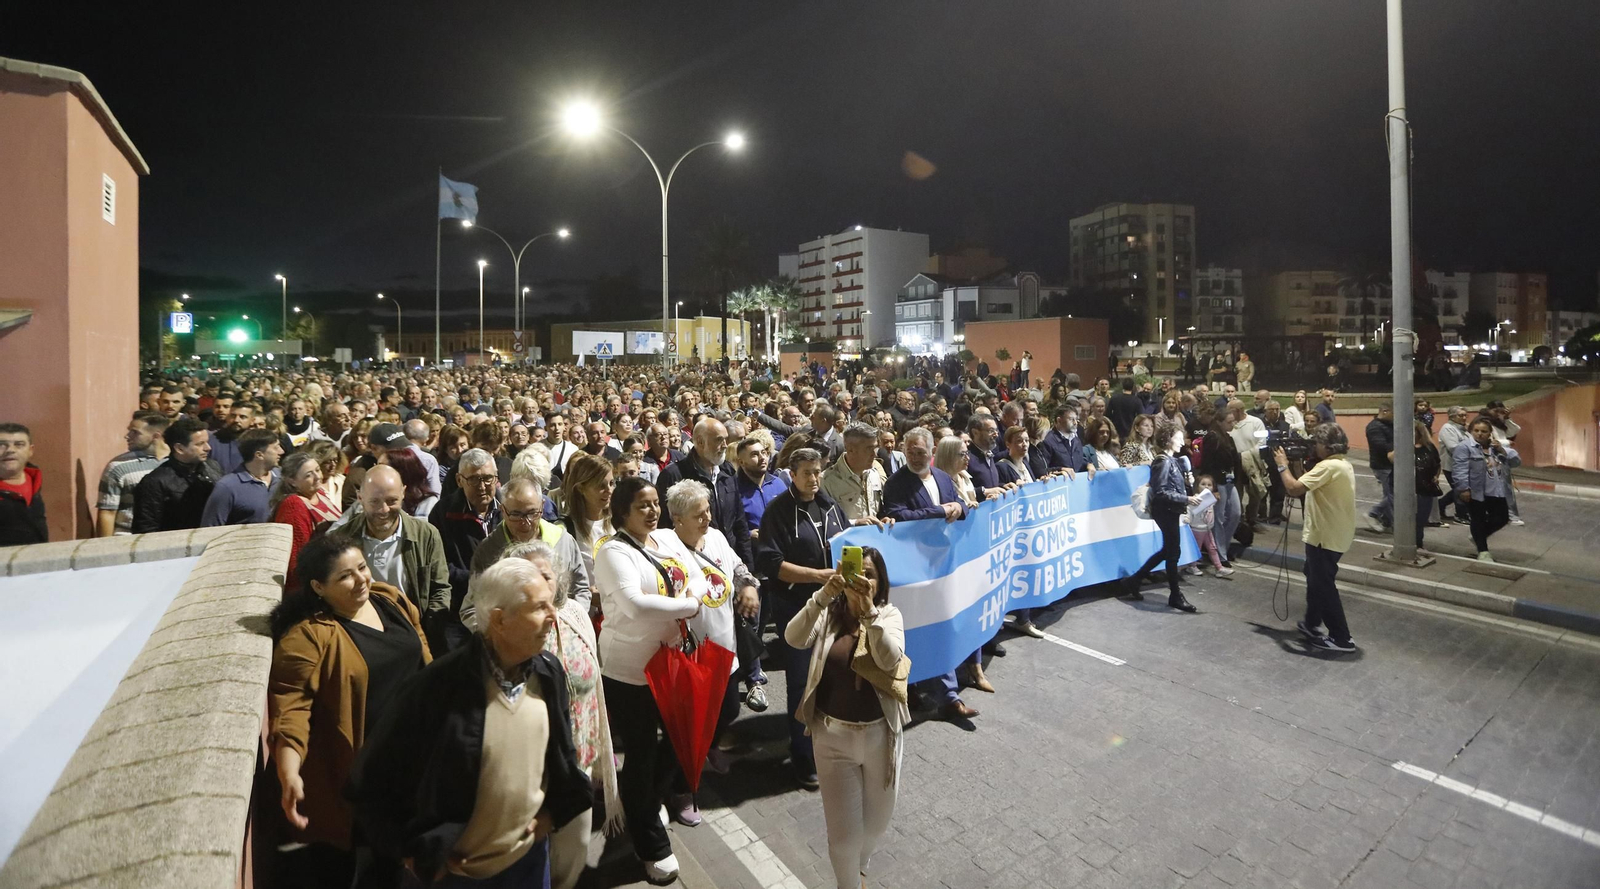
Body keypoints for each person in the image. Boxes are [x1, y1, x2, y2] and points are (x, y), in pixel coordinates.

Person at [348, 558, 592, 887]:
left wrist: (553, 813)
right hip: (457, 876)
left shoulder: (548, 672)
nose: (552, 618)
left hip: (529, 863)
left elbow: (561, 754)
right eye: (539, 608)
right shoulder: (438, 686)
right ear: (499, 620)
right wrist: (411, 851)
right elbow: (371, 778)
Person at [267, 535, 431, 888]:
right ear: (318, 587)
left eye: (362, 568)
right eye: (346, 576)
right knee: (355, 866)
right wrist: (289, 771)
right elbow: (291, 706)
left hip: (416, 759)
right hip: (365, 773)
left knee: (406, 857)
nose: (362, 580)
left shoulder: (390, 599)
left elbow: (421, 649)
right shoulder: (308, 637)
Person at [487, 540, 621, 889]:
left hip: (577, 764)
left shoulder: (576, 616)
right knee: (531, 862)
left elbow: (595, 692)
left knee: (574, 850)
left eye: (544, 575)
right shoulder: (505, 637)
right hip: (530, 775)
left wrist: (595, 759)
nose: (538, 585)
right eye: (527, 578)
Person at [591, 477, 704, 883]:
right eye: (642, 505)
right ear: (622, 511)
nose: (652, 511)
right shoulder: (612, 551)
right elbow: (636, 606)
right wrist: (689, 605)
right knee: (641, 752)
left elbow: (695, 573)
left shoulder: (669, 540)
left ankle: (647, 801)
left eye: (655, 503)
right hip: (630, 671)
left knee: (675, 744)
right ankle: (650, 843)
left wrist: (688, 598)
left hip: (672, 663)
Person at [784, 546, 908, 889]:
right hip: (831, 738)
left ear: (879, 582)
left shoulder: (889, 615)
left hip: (880, 737)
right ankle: (849, 884)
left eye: (869, 574)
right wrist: (824, 594)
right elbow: (793, 638)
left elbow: (890, 659)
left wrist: (869, 613)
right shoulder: (828, 615)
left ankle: (860, 866)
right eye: (856, 571)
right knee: (843, 838)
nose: (861, 579)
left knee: (876, 825)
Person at [651, 480, 761, 807]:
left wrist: (748, 586)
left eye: (708, 511)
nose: (707, 519)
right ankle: (683, 791)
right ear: (676, 519)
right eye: (699, 515)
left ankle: (708, 749)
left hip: (725, 647)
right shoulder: (664, 551)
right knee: (689, 729)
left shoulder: (715, 537)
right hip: (691, 656)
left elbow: (736, 566)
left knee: (728, 709)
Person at [756, 447, 854, 788]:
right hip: (797, 608)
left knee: (832, 676)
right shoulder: (778, 512)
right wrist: (816, 576)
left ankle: (828, 746)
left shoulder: (830, 505)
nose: (814, 479)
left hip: (835, 607)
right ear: (792, 475)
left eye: (818, 472)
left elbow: (844, 540)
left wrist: (863, 527)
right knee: (801, 682)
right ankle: (802, 753)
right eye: (807, 473)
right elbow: (770, 563)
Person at [326, 465, 453, 651]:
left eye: (391, 501)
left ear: (403, 493)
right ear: (360, 498)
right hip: (361, 637)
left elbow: (440, 588)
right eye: (374, 502)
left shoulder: (426, 534)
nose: (383, 510)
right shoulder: (341, 540)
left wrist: (428, 631)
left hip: (414, 633)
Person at [1273, 424, 1359, 652]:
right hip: (1332, 533)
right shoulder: (1341, 464)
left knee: (1324, 585)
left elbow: (1293, 488)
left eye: (1317, 443)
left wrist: (1282, 465)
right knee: (1314, 576)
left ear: (1326, 446)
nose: (1314, 447)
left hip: (1324, 537)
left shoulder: (1329, 466)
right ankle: (1312, 623)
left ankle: (1342, 638)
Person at [470, 479, 590, 615]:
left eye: (533, 513)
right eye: (516, 515)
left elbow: (581, 589)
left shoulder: (562, 540)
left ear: (542, 506)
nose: (525, 522)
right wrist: (500, 631)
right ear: (502, 510)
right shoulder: (488, 549)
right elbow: (471, 607)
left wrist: (570, 622)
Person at [655, 417, 755, 569]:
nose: (725, 445)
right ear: (700, 442)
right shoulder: (674, 475)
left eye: (726, 440)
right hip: (693, 564)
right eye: (719, 440)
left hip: (730, 560)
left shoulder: (727, 471)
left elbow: (739, 521)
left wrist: (748, 565)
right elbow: (665, 527)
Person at [430, 448, 504, 651]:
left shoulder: (508, 509)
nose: (482, 486)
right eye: (473, 479)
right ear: (459, 480)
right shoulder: (443, 513)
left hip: (504, 606)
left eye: (488, 479)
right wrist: (479, 579)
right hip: (460, 609)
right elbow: (441, 566)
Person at [1123, 419, 1199, 611]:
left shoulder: (1173, 461)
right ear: (1167, 440)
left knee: (1169, 551)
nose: (1183, 442)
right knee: (1173, 553)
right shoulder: (1162, 461)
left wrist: (1187, 483)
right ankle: (1175, 595)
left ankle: (1135, 580)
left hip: (1170, 510)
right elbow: (1161, 491)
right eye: (1179, 438)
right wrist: (1186, 499)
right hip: (1165, 510)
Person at [133, 417, 222, 533]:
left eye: (207, 442)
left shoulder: (213, 467)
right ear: (179, 448)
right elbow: (146, 528)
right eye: (200, 444)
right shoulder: (155, 482)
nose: (208, 448)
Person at [1451, 417, 1520, 563]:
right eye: (1476, 431)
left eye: (1484, 431)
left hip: (1497, 489)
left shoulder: (1495, 447)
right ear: (1471, 432)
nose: (1479, 434)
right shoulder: (1465, 447)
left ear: (1490, 433)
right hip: (1477, 490)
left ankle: (1478, 536)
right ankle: (1483, 551)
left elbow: (1515, 462)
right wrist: (1463, 488)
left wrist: (1502, 451)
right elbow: (1459, 469)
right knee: (1478, 519)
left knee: (1502, 518)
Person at [271, 452, 338, 591]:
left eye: (318, 470)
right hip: (316, 585)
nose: (317, 477)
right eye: (308, 475)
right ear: (292, 481)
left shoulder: (320, 494)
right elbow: (297, 557)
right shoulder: (293, 505)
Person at [95, 411, 168, 537]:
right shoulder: (117, 466)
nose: (127, 436)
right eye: (129, 431)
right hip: (126, 539)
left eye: (135, 432)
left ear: (156, 436)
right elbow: (107, 512)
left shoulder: (176, 461)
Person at [201, 428, 283, 527]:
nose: (281, 451)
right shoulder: (227, 487)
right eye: (276, 447)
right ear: (259, 455)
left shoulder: (282, 477)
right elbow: (210, 528)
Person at [557, 452, 614, 588]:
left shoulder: (619, 522)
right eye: (601, 485)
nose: (609, 490)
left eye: (612, 483)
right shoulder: (564, 530)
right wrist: (586, 593)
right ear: (581, 488)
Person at [1197, 410, 1245, 564]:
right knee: (1218, 517)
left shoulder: (1227, 437)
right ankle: (1220, 553)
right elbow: (1209, 463)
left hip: (1229, 480)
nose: (1232, 424)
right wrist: (1214, 487)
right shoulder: (1213, 437)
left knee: (1236, 513)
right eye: (1229, 422)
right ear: (1220, 421)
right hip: (1219, 480)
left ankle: (1222, 546)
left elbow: (1233, 461)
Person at [820, 423, 890, 526]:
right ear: (850, 449)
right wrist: (854, 523)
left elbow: (878, 511)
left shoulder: (874, 475)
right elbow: (825, 522)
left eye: (875, 448)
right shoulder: (826, 481)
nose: (874, 454)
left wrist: (884, 520)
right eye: (869, 449)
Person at [0, 422, 47, 545]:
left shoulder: (35, 481)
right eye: (2, 445)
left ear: (30, 451)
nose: (10, 450)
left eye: (19, 445)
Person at [1185, 474, 1231, 577]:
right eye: (1203, 484)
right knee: (1197, 548)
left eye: (1209, 485)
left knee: (1212, 548)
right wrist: (1187, 519)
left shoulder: (1210, 499)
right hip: (1197, 529)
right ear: (1197, 486)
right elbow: (1188, 509)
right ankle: (1192, 566)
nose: (1206, 487)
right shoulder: (1195, 499)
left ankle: (1219, 568)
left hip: (1207, 529)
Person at [1410, 420, 1444, 556]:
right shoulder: (1404, 447)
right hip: (1409, 489)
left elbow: (1437, 464)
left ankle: (1418, 543)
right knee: (1409, 519)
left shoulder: (1429, 447)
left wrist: (1436, 476)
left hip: (1426, 488)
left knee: (1421, 519)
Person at [1363, 403, 1396, 533]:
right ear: (1386, 411)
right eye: (1394, 413)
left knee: (1392, 494)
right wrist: (1399, 440)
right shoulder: (1374, 427)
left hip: (1391, 464)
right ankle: (1373, 513)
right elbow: (1380, 446)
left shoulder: (1389, 425)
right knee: (1392, 495)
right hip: (1382, 465)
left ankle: (1386, 521)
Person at [1436, 406, 1471, 524]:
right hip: (1452, 465)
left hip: (1465, 464)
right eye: (1461, 415)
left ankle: (1439, 505)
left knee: (1459, 489)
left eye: (1466, 415)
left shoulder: (1463, 429)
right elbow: (1453, 447)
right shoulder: (1448, 428)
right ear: (1452, 417)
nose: (1464, 418)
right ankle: (1461, 515)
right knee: (1461, 489)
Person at [1037, 403, 1088, 472]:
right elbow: (1043, 470)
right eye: (1071, 419)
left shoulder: (1076, 440)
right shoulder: (1047, 441)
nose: (1075, 423)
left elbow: (1079, 462)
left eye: (1076, 419)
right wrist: (1060, 470)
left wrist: (1088, 465)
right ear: (1059, 420)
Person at [934, 435, 981, 508]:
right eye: (962, 454)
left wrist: (987, 503)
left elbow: (973, 501)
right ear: (948, 456)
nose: (968, 458)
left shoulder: (965, 476)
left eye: (967, 453)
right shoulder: (937, 483)